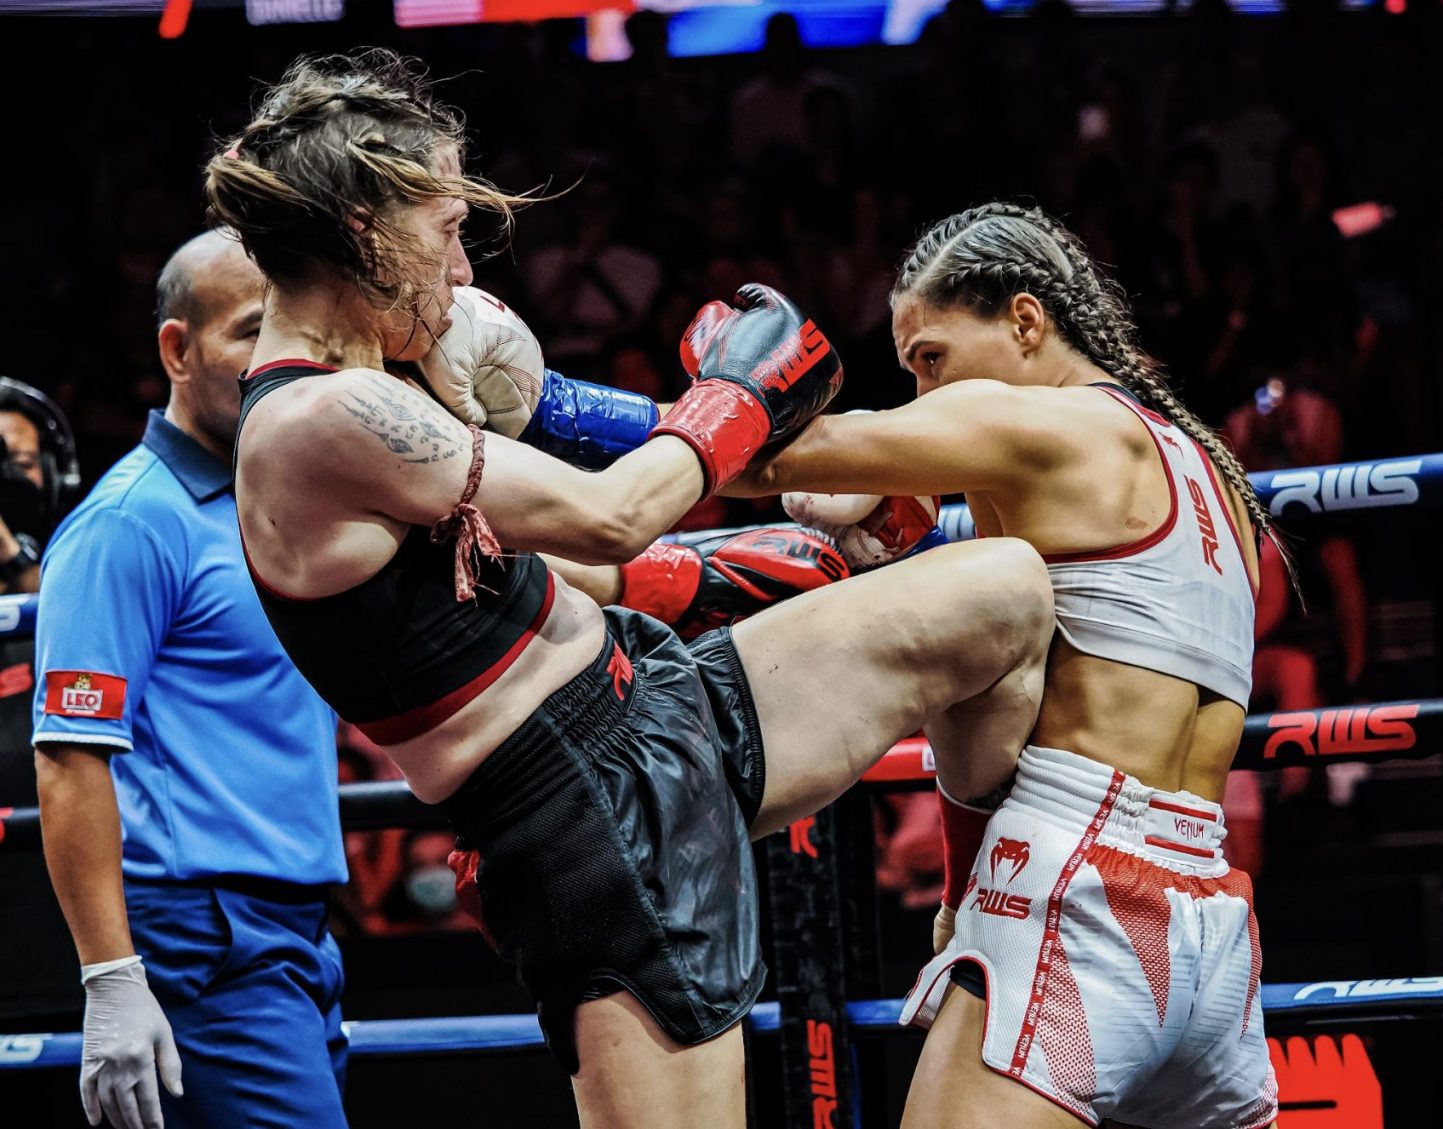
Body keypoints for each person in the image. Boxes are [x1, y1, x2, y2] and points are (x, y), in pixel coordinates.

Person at [208, 49, 1054, 1128]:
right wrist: (737, 393)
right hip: (582, 817)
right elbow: (610, 512)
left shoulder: (384, 378)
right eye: (446, 229)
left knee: (1000, 590)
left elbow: (569, 560)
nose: (464, 267)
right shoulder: (316, 420)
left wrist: (716, 571)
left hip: (653, 696)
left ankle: (985, 913)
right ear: (366, 230)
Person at [736, 202, 1281, 1127]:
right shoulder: (1217, 477)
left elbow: (757, 460)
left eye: (933, 360)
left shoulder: (1045, 428)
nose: (923, 397)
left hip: (1079, 894)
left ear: (1026, 322)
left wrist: (553, 406)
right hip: (1212, 923)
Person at [31, 230, 350, 1129]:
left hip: (293, 929)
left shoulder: (286, 506)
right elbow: (68, 759)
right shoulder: (129, 523)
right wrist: (112, 976)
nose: (283, 362)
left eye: (301, 335)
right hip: (199, 934)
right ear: (178, 349)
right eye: (253, 331)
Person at [0, 375, 80, 596]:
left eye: (22, 463)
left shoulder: (82, 548)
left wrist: (10, 554)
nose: (6, 477)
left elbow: (67, 606)